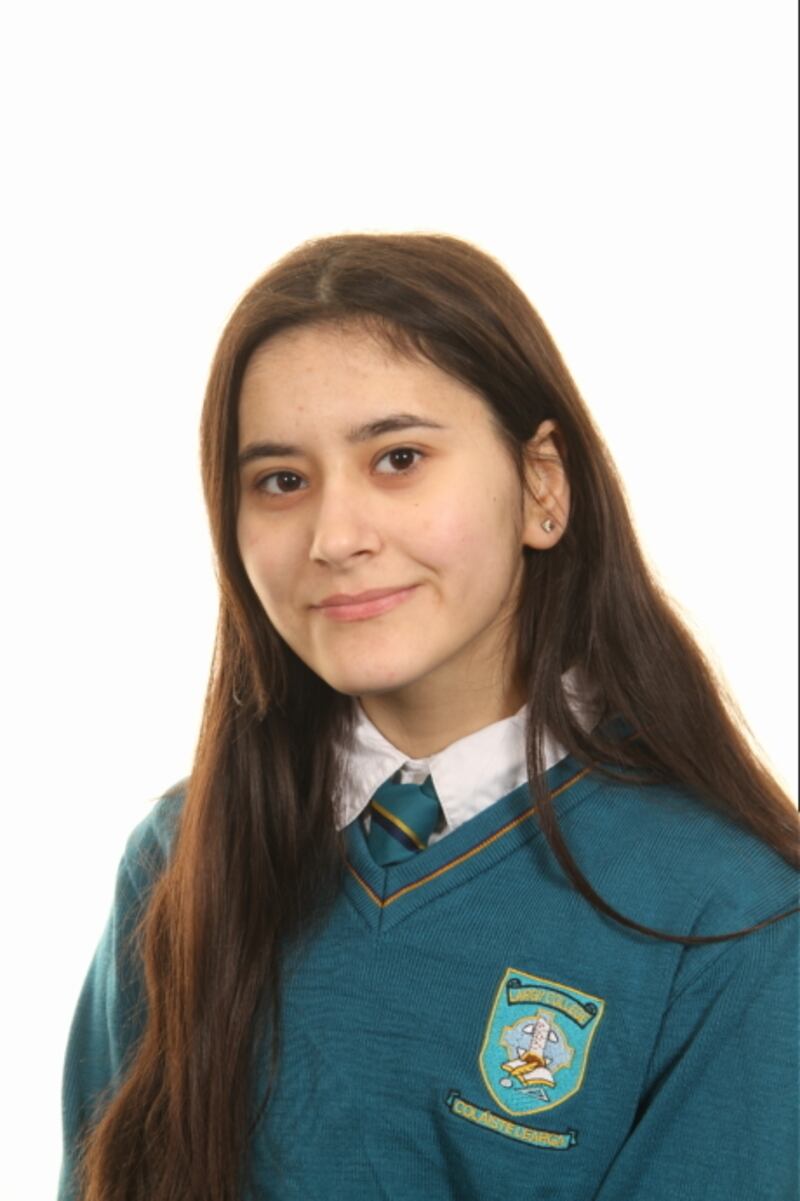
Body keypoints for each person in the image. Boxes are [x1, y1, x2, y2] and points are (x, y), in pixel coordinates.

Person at [58, 232, 799, 1201]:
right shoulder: (175, 862)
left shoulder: (727, 919)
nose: (334, 537)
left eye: (397, 458)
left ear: (540, 485)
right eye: (281, 480)